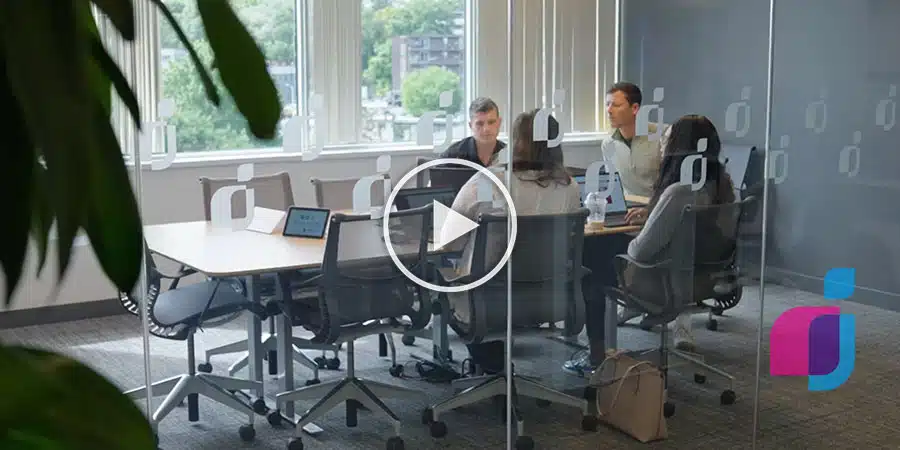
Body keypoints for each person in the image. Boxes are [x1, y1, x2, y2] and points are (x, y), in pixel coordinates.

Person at [564, 114, 736, 376]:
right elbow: (688, 230)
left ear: (677, 149)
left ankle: (597, 356)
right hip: (702, 279)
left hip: (661, 281)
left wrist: (633, 233)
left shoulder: (677, 192)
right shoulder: (721, 187)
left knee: (592, 261)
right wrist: (653, 213)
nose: (662, 146)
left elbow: (639, 252)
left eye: (666, 141)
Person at [444, 109, 581, 374]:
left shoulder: (491, 180)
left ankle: (494, 370)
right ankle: (496, 371)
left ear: (517, 142)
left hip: (490, 300)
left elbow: (449, 237)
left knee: (438, 276)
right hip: (548, 298)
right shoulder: (569, 186)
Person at [601, 82, 663, 198]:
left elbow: (672, 184)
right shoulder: (608, 144)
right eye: (607, 104)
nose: (609, 110)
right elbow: (614, 186)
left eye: (616, 105)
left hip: (656, 207)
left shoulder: (662, 136)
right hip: (627, 208)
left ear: (634, 108)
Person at [439, 97, 505, 167]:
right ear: (471, 126)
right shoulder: (453, 156)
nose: (486, 129)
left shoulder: (510, 155)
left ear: (499, 123)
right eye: (479, 123)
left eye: (491, 122)